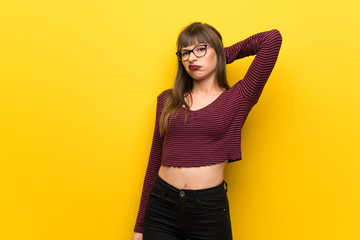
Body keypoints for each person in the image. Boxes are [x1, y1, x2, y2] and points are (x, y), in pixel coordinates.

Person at [132, 22, 282, 240]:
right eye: (185, 53)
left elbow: (272, 39)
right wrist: (139, 226)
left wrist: (221, 55)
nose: (192, 58)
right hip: (161, 206)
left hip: (208, 210)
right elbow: (155, 159)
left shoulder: (238, 98)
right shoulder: (167, 101)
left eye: (201, 49)